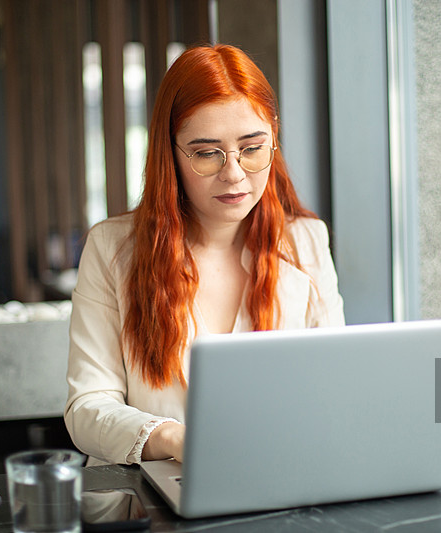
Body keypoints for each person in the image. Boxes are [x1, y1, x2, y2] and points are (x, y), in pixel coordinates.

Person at [64, 44, 345, 467]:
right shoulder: (113, 249)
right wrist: (175, 439)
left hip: (274, 479)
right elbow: (87, 407)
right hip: (151, 495)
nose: (233, 174)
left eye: (252, 148)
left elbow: (335, 384)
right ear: (171, 155)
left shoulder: (305, 243)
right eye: (207, 153)